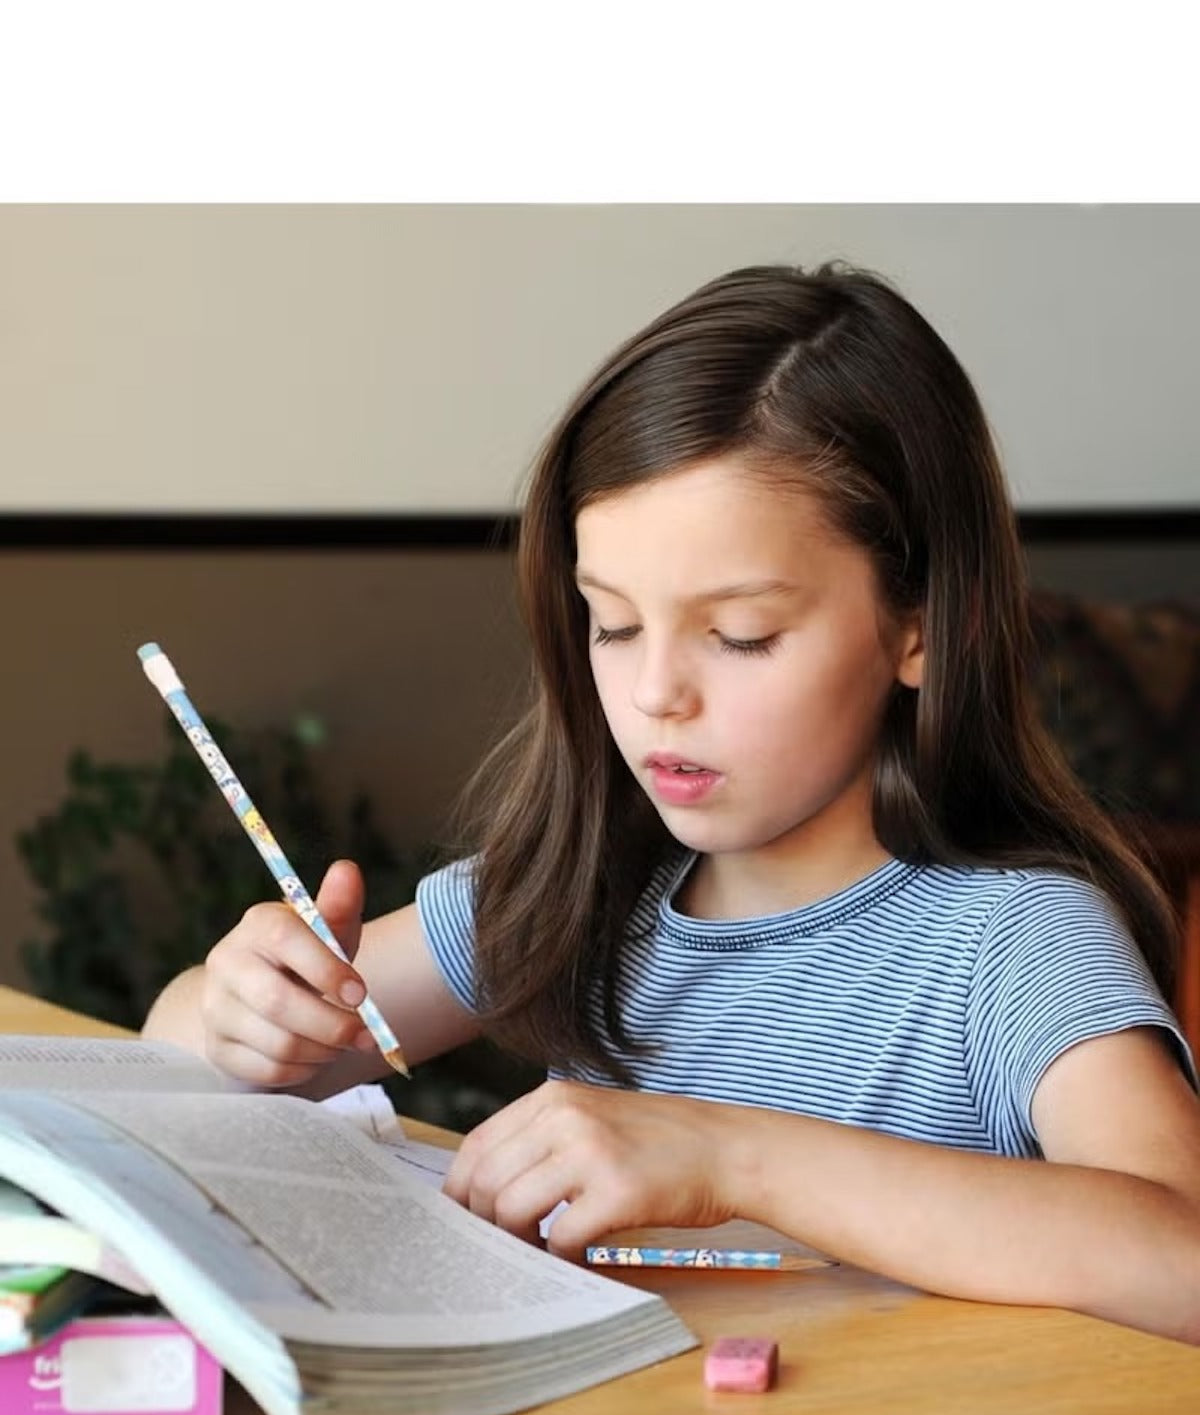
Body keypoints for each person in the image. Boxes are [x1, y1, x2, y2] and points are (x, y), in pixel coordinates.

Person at [143, 261, 1200, 1344]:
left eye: (739, 634)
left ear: (918, 625)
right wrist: (237, 1018)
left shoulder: (1015, 937)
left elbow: (1182, 1257)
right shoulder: (572, 897)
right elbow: (169, 1067)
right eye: (611, 622)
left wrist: (728, 1155)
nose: (655, 694)